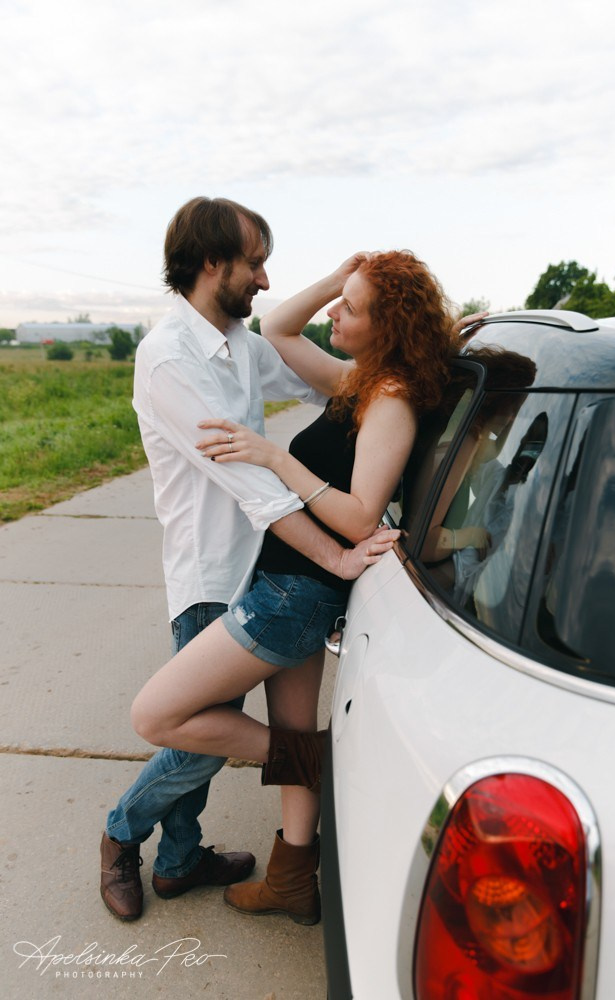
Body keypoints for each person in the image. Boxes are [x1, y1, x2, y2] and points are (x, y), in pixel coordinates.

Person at [130, 248, 465, 925]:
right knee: (289, 727)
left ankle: (324, 758)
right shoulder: (362, 383)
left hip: (294, 595)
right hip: (293, 584)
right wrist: (342, 276)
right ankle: (290, 880)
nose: (333, 311)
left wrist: (275, 457)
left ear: (386, 326)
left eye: (350, 307)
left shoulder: (390, 401)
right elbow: (279, 328)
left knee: (155, 715)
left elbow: (359, 514)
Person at [100, 196, 398, 922]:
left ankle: (180, 862)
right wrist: (337, 555)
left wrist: (408, 353)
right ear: (212, 263)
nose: (264, 279)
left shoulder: (239, 342)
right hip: (212, 568)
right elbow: (253, 486)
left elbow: (321, 377)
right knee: (201, 738)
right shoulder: (169, 358)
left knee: (208, 731)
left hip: (265, 562)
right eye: (255, 263)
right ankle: (120, 836)